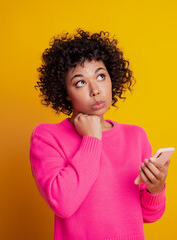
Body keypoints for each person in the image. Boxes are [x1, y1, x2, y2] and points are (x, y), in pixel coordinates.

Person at [29, 28, 169, 240]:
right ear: (66, 93)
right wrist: (92, 139)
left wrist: (156, 189)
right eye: (80, 82)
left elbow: (150, 215)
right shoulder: (47, 136)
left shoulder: (136, 137)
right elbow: (63, 204)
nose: (95, 89)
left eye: (101, 76)